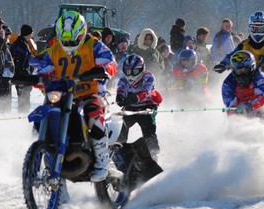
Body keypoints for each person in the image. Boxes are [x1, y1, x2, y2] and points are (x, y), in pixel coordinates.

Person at [30, 10, 118, 181]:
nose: (69, 42)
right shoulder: (54, 50)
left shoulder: (94, 45)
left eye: (73, 39)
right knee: (44, 118)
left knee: (93, 113)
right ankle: (47, 157)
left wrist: (104, 70)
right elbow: (45, 68)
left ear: (82, 32)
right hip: (63, 95)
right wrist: (38, 77)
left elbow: (110, 61)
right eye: (65, 39)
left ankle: (102, 161)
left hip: (91, 93)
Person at [215, 11, 264, 104]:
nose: (258, 32)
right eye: (255, 28)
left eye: (261, 28)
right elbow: (232, 56)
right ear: (250, 28)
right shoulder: (244, 44)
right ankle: (233, 112)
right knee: (231, 87)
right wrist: (223, 64)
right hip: (245, 80)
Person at [115, 54, 162, 156]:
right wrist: (120, 98)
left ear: (141, 69)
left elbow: (146, 91)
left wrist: (136, 97)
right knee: (120, 129)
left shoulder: (148, 76)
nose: (131, 75)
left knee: (149, 131)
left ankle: (154, 154)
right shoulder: (123, 79)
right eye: (128, 71)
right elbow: (121, 89)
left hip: (146, 107)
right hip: (130, 109)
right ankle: (116, 153)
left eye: (134, 71)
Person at [221, 50, 264, 119]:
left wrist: (250, 105)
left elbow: (263, 96)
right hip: (240, 111)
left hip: (256, 107)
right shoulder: (228, 83)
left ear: (251, 67)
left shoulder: (259, 76)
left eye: (244, 70)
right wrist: (235, 111)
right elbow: (229, 105)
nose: (241, 74)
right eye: (238, 71)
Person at [10, 24, 38, 113]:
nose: (32, 36)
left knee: (23, 99)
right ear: (28, 34)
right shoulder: (22, 45)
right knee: (24, 100)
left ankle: (22, 115)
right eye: (31, 33)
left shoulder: (20, 43)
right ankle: (22, 117)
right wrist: (26, 74)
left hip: (20, 75)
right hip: (22, 76)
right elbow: (22, 62)